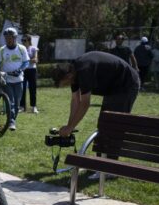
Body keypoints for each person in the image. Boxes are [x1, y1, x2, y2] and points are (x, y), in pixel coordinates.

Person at [54, 51, 140, 179]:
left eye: (65, 83)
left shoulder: (84, 70)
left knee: (113, 127)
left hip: (126, 84)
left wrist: (70, 128)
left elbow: (85, 104)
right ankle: (101, 165)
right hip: (113, 88)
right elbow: (75, 100)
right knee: (104, 126)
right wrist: (69, 125)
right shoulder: (74, 72)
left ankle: (110, 169)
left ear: (68, 75)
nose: (67, 86)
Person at [0, 28, 29, 130]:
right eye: (6, 38)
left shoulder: (22, 49)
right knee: (10, 102)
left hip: (19, 79)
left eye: (10, 38)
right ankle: (11, 122)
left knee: (17, 104)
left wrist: (20, 70)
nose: (8, 40)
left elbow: (26, 62)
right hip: (6, 79)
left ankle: (11, 120)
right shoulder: (2, 49)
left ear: (15, 38)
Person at [19, 34, 39, 114]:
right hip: (23, 70)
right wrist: (29, 60)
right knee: (22, 89)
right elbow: (19, 60)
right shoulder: (21, 49)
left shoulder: (34, 48)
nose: (23, 42)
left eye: (25, 40)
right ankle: (22, 106)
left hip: (32, 70)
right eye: (22, 40)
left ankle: (33, 107)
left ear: (29, 40)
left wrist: (26, 60)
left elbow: (35, 60)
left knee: (32, 89)